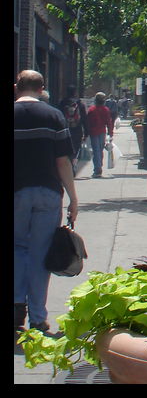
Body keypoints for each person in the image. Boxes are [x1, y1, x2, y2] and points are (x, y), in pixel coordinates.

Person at [14, 70, 79, 333]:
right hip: (48, 193)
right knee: (41, 255)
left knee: (18, 249)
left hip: (17, 192)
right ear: (42, 88)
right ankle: (39, 318)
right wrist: (73, 198)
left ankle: (17, 308)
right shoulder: (54, 116)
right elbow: (62, 161)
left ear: (17, 87)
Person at [85, 92, 115, 178]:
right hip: (102, 132)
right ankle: (99, 166)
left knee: (96, 150)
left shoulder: (91, 110)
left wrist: (86, 132)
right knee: (100, 150)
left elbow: (88, 122)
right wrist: (110, 133)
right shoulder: (106, 110)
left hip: (93, 132)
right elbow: (109, 122)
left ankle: (97, 168)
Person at [58, 85, 88, 163]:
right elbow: (84, 119)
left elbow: (59, 117)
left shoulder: (62, 103)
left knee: (65, 150)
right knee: (75, 149)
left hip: (65, 130)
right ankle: (73, 165)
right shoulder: (80, 104)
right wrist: (86, 132)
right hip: (77, 130)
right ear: (75, 92)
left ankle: (69, 163)